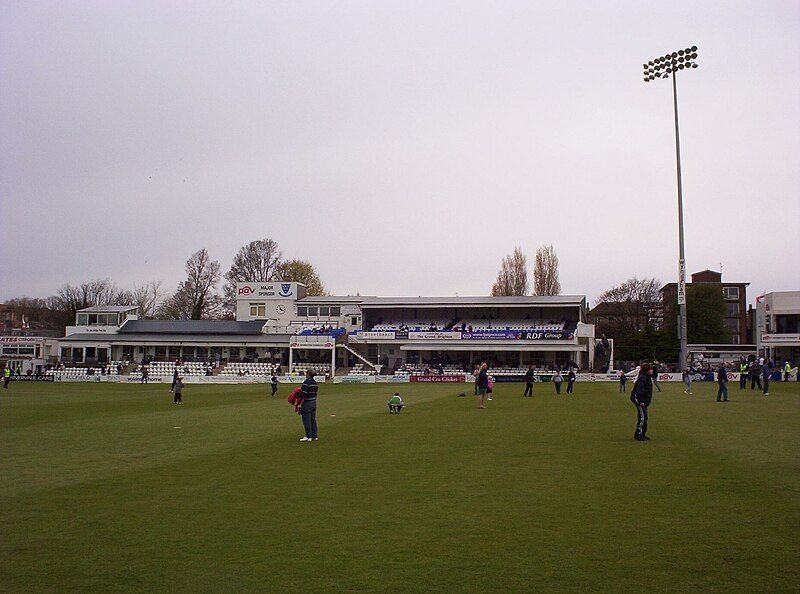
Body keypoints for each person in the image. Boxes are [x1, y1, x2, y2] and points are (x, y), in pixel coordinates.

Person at [631, 363, 654, 441]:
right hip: (641, 401)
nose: (652, 370)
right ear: (647, 370)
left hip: (644, 401)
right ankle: (638, 434)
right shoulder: (643, 378)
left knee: (644, 417)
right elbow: (638, 391)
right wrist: (641, 401)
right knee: (643, 417)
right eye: (650, 369)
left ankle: (642, 433)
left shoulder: (647, 377)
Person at [299, 370, 319, 441]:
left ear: (308, 374)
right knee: (313, 419)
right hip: (313, 402)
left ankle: (308, 436)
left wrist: (298, 393)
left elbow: (303, 393)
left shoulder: (306, 382)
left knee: (306, 419)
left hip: (307, 402)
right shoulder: (315, 383)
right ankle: (315, 436)